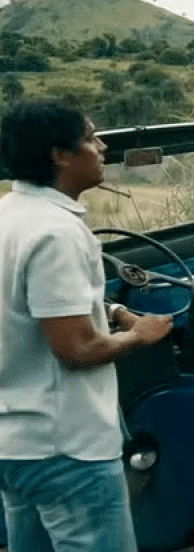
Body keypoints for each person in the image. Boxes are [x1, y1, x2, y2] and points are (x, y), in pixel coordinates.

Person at [0, 98, 173, 552]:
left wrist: (113, 312)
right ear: (60, 155)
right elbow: (75, 350)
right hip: (67, 450)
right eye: (90, 137)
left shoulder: (9, 216)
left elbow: (29, 308)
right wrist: (139, 335)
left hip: (15, 445)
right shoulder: (56, 233)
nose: (101, 147)